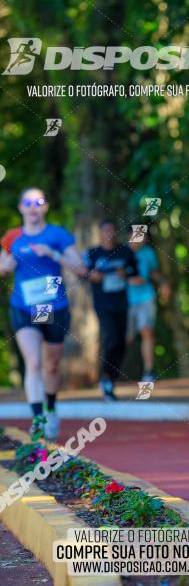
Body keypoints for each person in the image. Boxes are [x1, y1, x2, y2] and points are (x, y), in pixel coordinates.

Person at [0, 187, 86, 439]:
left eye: (38, 202)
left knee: (51, 365)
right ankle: (37, 416)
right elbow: (1, 266)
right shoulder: (13, 236)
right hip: (24, 307)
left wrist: (55, 255)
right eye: (28, 202)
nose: (33, 206)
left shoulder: (57, 235)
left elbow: (81, 268)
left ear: (45, 207)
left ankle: (50, 406)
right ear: (21, 208)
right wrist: (6, 265)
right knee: (34, 362)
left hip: (53, 308)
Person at [84, 220, 138, 401]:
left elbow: (135, 272)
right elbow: (84, 273)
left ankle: (111, 379)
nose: (108, 234)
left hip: (122, 304)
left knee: (121, 342)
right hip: (103, 305)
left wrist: (127, 274)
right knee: (111, 339)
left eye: (111, 230)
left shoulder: (125, 252)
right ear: (100, 233)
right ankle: (106, 378)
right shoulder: (93, 253)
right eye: (105, 230)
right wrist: (93, 276)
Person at [127, 225, 169, 383]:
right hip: (125, 301)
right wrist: (128, 279)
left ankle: (149, 371)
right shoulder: (122, 252)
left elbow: (154, 272)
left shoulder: (148, 253)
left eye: (143, 235)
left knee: (147, 331)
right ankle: (113, 374)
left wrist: (163, 283)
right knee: (126, 337)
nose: (142, 238)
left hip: (146, 297)